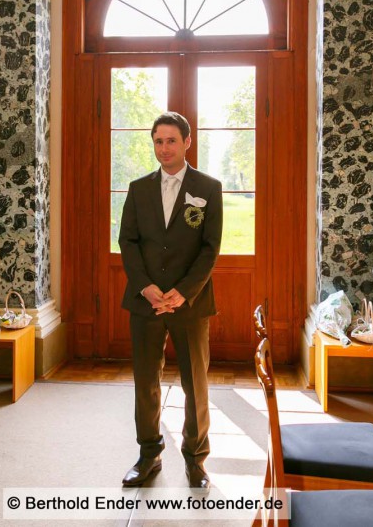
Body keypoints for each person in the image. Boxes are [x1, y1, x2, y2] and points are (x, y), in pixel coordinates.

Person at [118, 112, 222, 491]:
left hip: (190, 303)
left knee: (195, 383)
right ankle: (149, 454)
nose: (164, 148)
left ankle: (196, 459)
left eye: (171, 141)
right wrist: (145, 286)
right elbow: (127, 242)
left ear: (187, 142)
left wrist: (184, 291)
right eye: (158, 141)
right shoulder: (138, 188)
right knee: (146, 381)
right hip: (145, 302)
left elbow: (210, 248)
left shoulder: (208, 188)